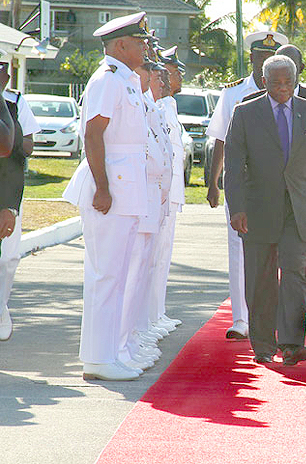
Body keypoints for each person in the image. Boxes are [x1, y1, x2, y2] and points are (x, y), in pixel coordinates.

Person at [224, 55, 306, 366]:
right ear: (263, 81)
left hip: (299, 211)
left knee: (295, 275)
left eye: (288, 82)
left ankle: (292, 343)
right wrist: (237, 208)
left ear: (296, 81)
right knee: (260, 278)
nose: (282, 88)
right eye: (275, 82)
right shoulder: (245, 113)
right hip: (257, 210)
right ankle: (263, 344)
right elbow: (233, 166)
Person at [62, 11, 150, 381]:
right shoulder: (108, 79)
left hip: (125, 187)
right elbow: (93, 135)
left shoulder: (126, 80)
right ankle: (98, 359)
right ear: (122, 45)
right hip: (111, 188)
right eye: (141, 41)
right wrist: (102, 187)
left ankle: (109, 353)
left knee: (117, 274)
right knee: (105, 275)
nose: (145, 47)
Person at [206, 31, 288, 340]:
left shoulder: (286, 91)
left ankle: (272, 317)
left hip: (277, 187)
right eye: (261, 56)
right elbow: (221, 140)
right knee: (239, 250)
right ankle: (241, 318)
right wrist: (214, 182)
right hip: (242, 184)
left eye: (271, 56)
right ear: (251, 58)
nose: (265, 61)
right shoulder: (233, 94)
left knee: (276, 252)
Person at [242, 43, 306, 298]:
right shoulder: (250, 104)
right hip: (265, 204)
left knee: (299, 269)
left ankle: (292, 324)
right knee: (264, 273)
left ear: (301, 69)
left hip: (303, 204)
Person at [118, 60, 173, 374]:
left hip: (151, 194)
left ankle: (132, 339)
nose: (162, 81)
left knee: (142, 270)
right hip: (137, 194)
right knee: (131, 272)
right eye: (155, 74)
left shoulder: (150, 105)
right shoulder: (128, 96)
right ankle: (124, 343)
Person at [0, 54, 40, 342]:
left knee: (9, 256)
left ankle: (1, 309)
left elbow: (17, 150)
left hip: (6, 190)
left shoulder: (12, 103)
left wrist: (10, 205)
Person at [148, 45, 185, 332]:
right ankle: (149, 317)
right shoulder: (157, 103)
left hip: (169, 191)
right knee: (153, 257)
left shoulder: (168, 104)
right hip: (158, 190)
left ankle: (156, 313)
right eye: (171, 72)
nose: (175, 79)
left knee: (162, 257)